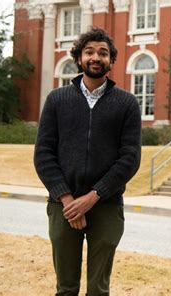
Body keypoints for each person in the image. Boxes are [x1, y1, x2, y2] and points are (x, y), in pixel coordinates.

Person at [34, 28, 141, 295]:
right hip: (63, 205)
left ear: (111, 60)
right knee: (66, 287)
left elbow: (129, 159)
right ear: (79, 58)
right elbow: (44, 154)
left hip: (106, 205)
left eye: (103, 53)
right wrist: (69, 201)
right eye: (90, 51)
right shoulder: (57, 100)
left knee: (98, 289)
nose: (96, 57)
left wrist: (92, 197)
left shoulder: (126, 103)